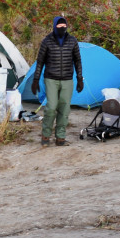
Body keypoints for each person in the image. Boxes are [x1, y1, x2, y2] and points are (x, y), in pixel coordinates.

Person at [31, 15, 84, 146]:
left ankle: (60, 137)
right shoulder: (47, 41)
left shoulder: (72, 41)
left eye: (64, 25)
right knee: (51, 107)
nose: (62, 28)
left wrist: (79, 78)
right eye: (59, 26)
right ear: (54, 26)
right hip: (51, 79)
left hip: (67, 80)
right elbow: (40, 62)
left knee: (64, 108)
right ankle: (45, 136)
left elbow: (77, 60)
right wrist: (35, 79)